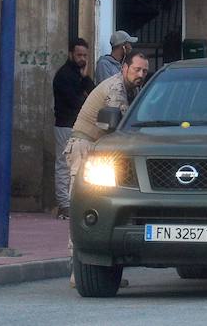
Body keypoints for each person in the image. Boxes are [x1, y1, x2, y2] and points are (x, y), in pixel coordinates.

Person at [63, 51, 148, 287]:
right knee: (83, 206)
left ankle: (103, 271)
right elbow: (121, 127)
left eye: (144, 71)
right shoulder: (116, 88)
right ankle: (78, 272)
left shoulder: (135, 90)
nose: (140, 74)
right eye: (136, 70)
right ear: (124, 68)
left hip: (102, 152)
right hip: (85, 147)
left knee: (102, 207)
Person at [52, 38, 94, 218]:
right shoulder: (64, 76)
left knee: (78, 167)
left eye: (85, 55)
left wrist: (85, 78)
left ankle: (72, 202)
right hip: (66, 125)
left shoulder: (79, 75)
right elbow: (77, 102)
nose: (82, 58)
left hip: (78, 127)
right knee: (64, 166)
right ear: (71, 54)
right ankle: (64, 204)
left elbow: (94, 93)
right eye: (79, 55)